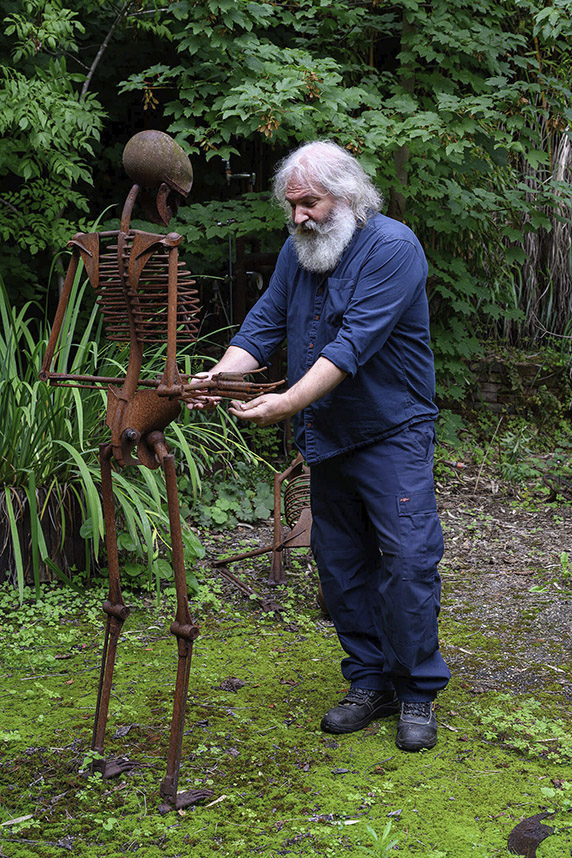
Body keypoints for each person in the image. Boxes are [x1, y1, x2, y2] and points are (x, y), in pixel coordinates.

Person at [190, 140, 449, 752]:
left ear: (349, 196)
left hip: (394, 432)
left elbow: (350, 346)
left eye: (310, 203)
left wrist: (283, 403)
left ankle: (414, 691)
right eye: (293, 206)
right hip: (329, 434)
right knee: (338, 567)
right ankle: (369, 682)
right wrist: (219, 379)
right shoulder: (297, 252)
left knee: (408, 560)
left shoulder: (393, 248)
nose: (299, 216)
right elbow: (264, 323)